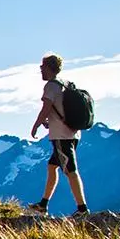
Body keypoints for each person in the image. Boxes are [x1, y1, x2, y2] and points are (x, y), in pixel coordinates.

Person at [29, 54, 89, 217]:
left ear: (48, 67)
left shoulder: (51, 86)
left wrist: (36, 125)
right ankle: (43, 204)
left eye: (42, 67)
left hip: (61, 136)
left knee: (71, 170)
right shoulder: (66, 84)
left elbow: (46, 107)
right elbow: (60, 109)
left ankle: (82, 209)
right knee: (52, 166)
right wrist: (50, 122)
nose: (40, 69)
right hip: (72, 133)